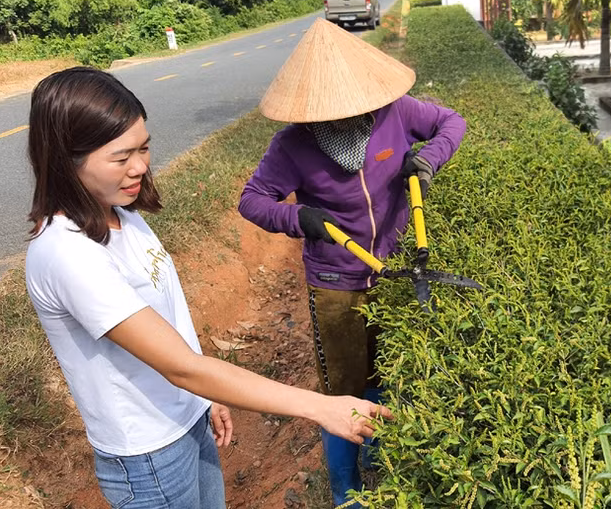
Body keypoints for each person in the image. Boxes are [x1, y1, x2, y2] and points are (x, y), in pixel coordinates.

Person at [24, 66, 392, 509]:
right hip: (149, 456)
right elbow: (181, 367)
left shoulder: (123, 215)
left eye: (144, 148)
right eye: (121, 158)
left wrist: (202, 398)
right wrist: (321, 407)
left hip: (186, 421)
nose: (140, 166)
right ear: (66, 160)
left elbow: (171, 322)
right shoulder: (68, 254)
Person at [238, 18, 466, 507]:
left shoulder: (396, 112)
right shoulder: (291, 146)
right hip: (336, 280)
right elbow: (252, 200)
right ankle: (347, 491)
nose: (340, 117)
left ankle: (384, 459)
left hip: (396, 264)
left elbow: (453, 122)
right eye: (327, 112)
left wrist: (428, 159)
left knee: (388, 372)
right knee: (343, 386)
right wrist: (300, 217)